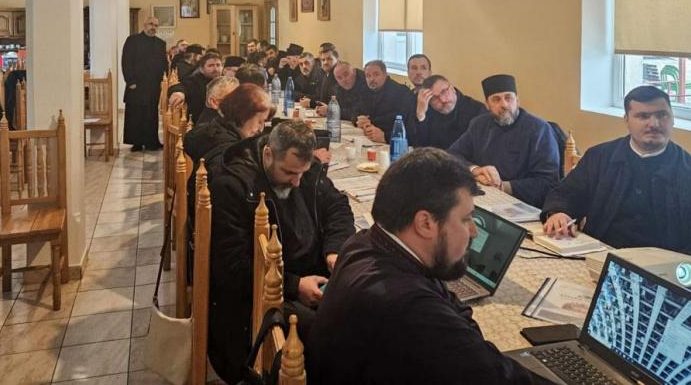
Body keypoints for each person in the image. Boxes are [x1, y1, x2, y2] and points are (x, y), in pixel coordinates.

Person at [307, 148, 547, 384]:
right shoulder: (410, 308)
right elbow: (497, 376)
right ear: (425, 223)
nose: (473, 231)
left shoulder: (365, 242)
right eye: (465, 219)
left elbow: (452, 307)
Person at [541, 86, 691, 291]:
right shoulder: (600, 157)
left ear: (673, 119)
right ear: (627, 120)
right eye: (643, 116)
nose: (654, 124)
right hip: (599, 266)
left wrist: (669, 277)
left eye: (662, 115)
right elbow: (566, 193)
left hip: (664, 279)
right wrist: (559, 212)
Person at [209, 121, 353, 384]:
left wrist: (335, 250)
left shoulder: (304, 170)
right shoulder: (232, 185)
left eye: (302, 173)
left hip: (310, 274)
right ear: (267, 154)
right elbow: (231, 268)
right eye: (288, 172)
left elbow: (338, 207)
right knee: (337, 333)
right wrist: (295, 285)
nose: (297, 182)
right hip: (259, 296)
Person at [448, 74, 559, 207]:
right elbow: (452, 155)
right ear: (487, 105)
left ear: (517, 101)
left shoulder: (539, 129)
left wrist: (503, 186)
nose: (504, 105)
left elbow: (548, 182)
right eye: (496, 100)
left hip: (523, 203)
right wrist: (476, 170)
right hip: (487, 198)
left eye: (508, 98)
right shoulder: (479, 124)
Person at [184, 82, 271, 182]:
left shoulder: (212, 128)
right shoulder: (230, 153)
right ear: (244, 116)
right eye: (259, 121)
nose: (260, 129)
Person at [121, 17, 169, 152]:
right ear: (144, 25)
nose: (153, 27)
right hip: (136, 84)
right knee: (136, 114)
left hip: (153, 85)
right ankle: (136, 143)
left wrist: (166, 79)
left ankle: (151, 142)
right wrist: (130, 81)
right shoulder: (132, 40)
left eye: (156, 25)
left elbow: (164, 63)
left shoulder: (161, 43)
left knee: (151, 114)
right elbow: (126, 61)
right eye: (151, 24)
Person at [408, 74, 487, 149]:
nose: (443, 100)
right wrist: (421, 115)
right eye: (435, 98)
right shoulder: (426, 112)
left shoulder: (477, 111)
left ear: (452, 88)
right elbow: (419, 148)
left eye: (444, 92)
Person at [356, 60, 414, 143]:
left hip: (392, 138)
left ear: (385, 74)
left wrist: (371, 121)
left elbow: (398, 118)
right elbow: (355, 109)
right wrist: (359, 119)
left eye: (376, 74)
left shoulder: (400, 91)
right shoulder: (365, 90)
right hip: (370, 135)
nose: (371, 79)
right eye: (368, 76)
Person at [169, 53, 223, 123]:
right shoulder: (194, 80)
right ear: (202, 69)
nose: (215, 69)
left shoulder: (224, 80)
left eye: (218, 65)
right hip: (200, 122)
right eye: (211, 65)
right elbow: (181, 86)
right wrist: (179, 93)